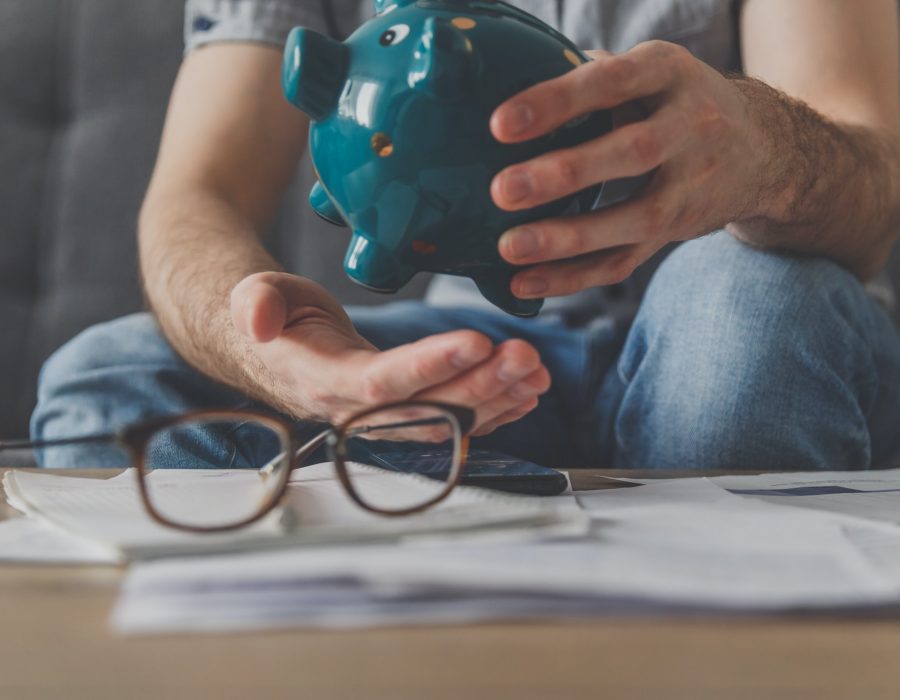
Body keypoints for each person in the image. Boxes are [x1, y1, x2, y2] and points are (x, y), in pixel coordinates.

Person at [31, 0, 900, 471]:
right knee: (107, 380)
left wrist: (771, 151)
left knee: (754, 309)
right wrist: (286, 361)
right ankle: (524, 508)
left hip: (725, 316)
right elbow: (195, 199)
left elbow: (871, 203)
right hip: (482, 357)